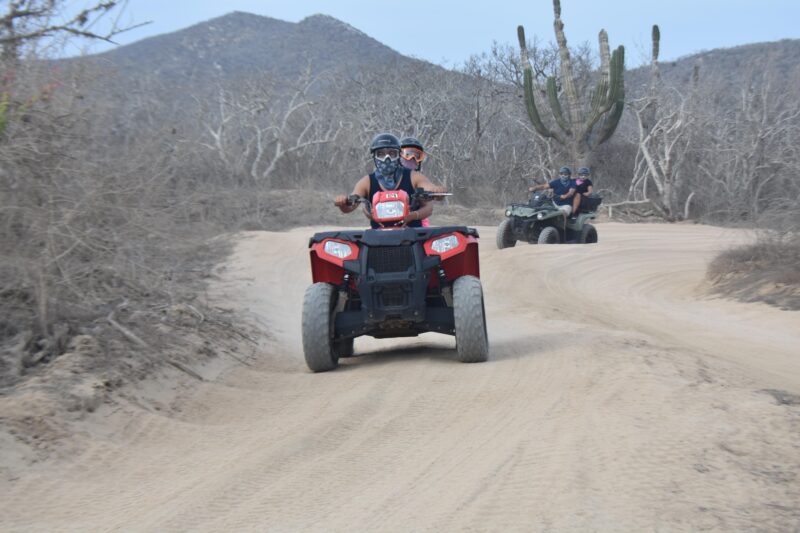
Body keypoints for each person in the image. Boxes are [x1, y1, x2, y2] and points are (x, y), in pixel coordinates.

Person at [334, 133, 445, 228]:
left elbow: (429, 199)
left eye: (392, 153)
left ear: (399, 155)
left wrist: (436, 190)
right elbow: (350, 205)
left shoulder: (413, 176)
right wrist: (343, 202)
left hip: (414, 237)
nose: (387, 159)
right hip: (378, 241)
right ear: (374, 157)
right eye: (380, 154)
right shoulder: (366, 182)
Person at [399, 136, 431, 226]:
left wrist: (413, 216)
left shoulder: (420, 181)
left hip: (416, 226)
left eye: (417, 155)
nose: (412, 158)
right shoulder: (389, 179)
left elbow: (428, 207)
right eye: (407, 154)